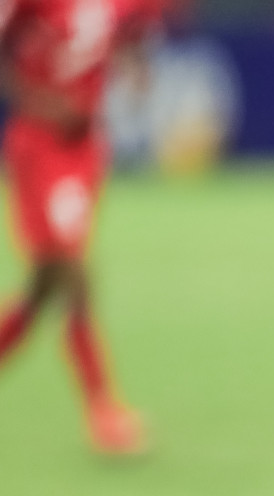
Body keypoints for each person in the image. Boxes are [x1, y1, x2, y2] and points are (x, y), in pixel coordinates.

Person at [0, 0, 160, 454]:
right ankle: (103, 410)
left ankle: (103, 409)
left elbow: (127, 33)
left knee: (44, 285)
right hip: (38, 143)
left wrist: (136, 68)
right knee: (72, 272)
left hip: (85, 146)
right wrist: (40, 100)